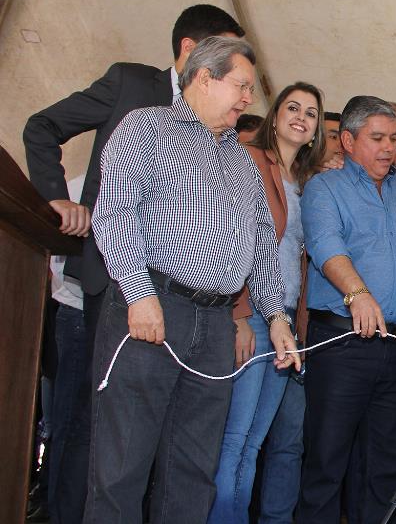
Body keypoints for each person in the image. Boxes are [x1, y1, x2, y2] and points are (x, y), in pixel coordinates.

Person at [22, 4, 244, 524]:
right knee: (102, 432)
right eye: (227, 55)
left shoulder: (227, 133)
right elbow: (42, 126)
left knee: (176, 445)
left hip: (193, 307)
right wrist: (55, 199)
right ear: (192, 52)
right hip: (117, 287)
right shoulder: (129, 85)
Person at [87, 36, 299, 524]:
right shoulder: (146, 128)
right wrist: (139, 295)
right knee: (122, 468)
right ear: (205, 78)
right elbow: (114, 213)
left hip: (216, 324)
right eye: (242, 86)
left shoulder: (244, 162)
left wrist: (277, 317)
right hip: (153, 310)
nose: (249, 99)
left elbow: (263, 248)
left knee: (195, 471)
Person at [297, 96, 396, 524]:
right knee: (327, 460)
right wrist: (357, 293)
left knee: (387, 465)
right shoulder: (325, 187)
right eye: (376, 138)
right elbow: (326, 246)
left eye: (394, 138)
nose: (388, 147)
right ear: (347, 140)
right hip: (343, 342)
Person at [208, 82, 325, 523]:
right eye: (292, 107)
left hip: (286, 323)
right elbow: (230, 239)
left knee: (253, 446)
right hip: (252, 314)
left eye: (311, 113)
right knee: (233, 442)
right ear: (274, 116)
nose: (301, 116)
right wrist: (237, 314)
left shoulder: (307, 183)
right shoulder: (247, 158)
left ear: (316, 130)